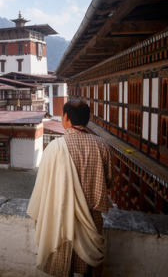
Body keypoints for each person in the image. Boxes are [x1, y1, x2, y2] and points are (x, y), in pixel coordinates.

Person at [27, 99, 112, 277]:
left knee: (64, 268)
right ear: (87, 119)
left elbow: (43, 187)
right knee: (89, 269)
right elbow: (108, 182)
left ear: (65, 117)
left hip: (61, 218)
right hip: (92, 221)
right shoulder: (102, 146)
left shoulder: (54, 148)